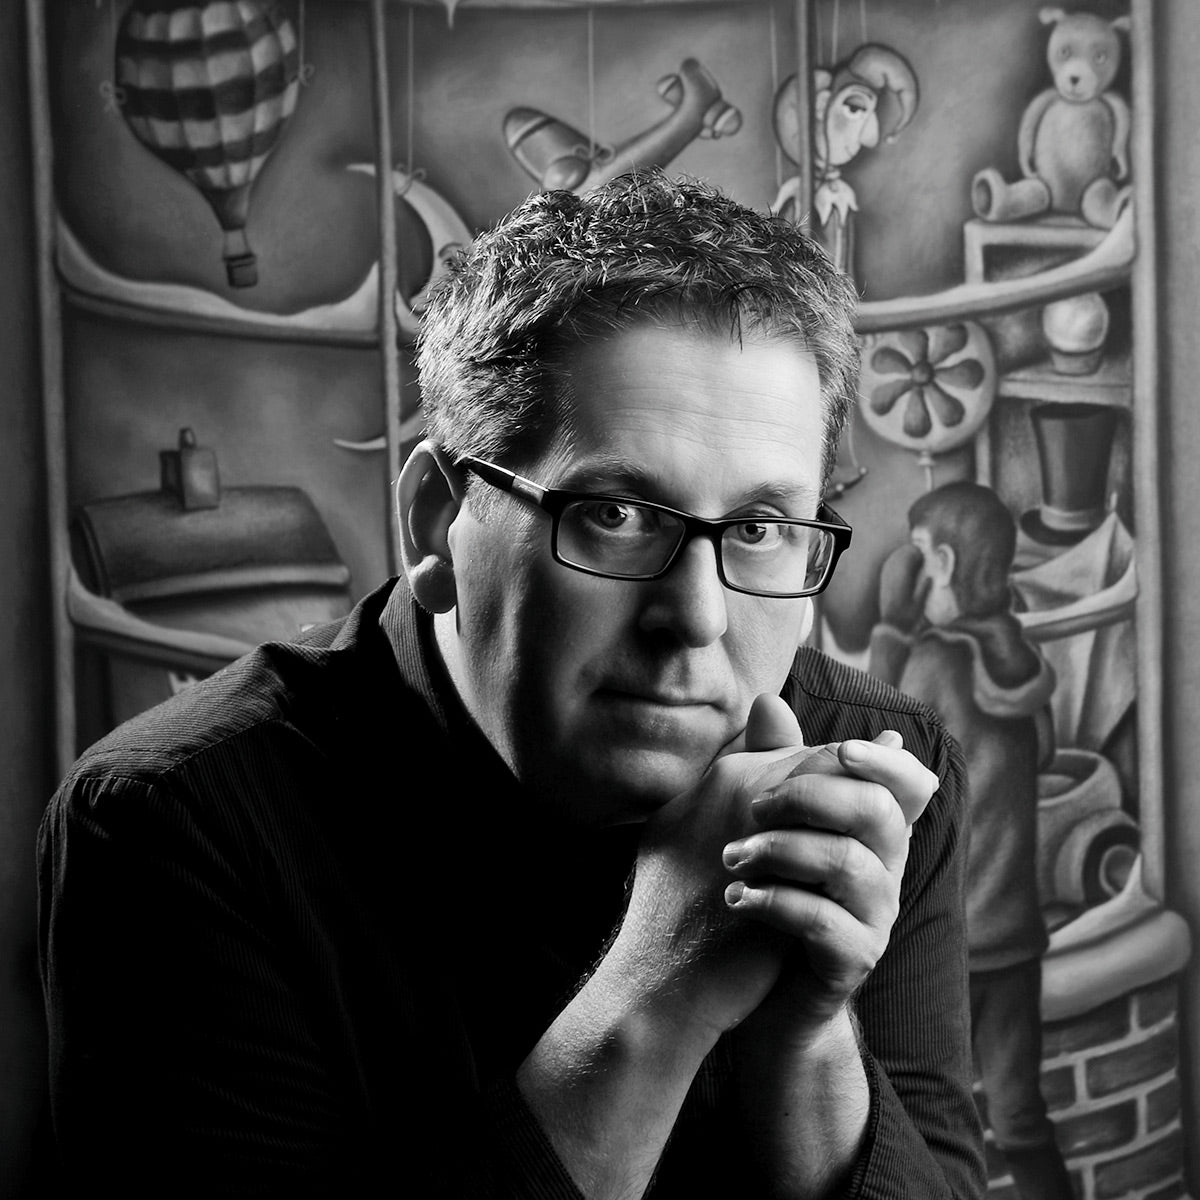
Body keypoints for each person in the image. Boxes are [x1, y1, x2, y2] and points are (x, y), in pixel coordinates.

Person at [38, 171, 985, 1198]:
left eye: (758, 529)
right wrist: (659, 996)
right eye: (615, 516)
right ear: (435, 524)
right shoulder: (176, 825)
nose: (698, 617)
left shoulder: (881, 778)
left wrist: (808, 1037)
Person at [867, 481, 1071, 1200]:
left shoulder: (936, 661)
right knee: (1020, 1116)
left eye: (921, 554)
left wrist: (890, 631)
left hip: (948, 934)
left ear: (945, 564)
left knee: (928, 1127)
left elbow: (881, 741)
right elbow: (1044, 751)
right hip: (1016, 933)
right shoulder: (1017, 657)